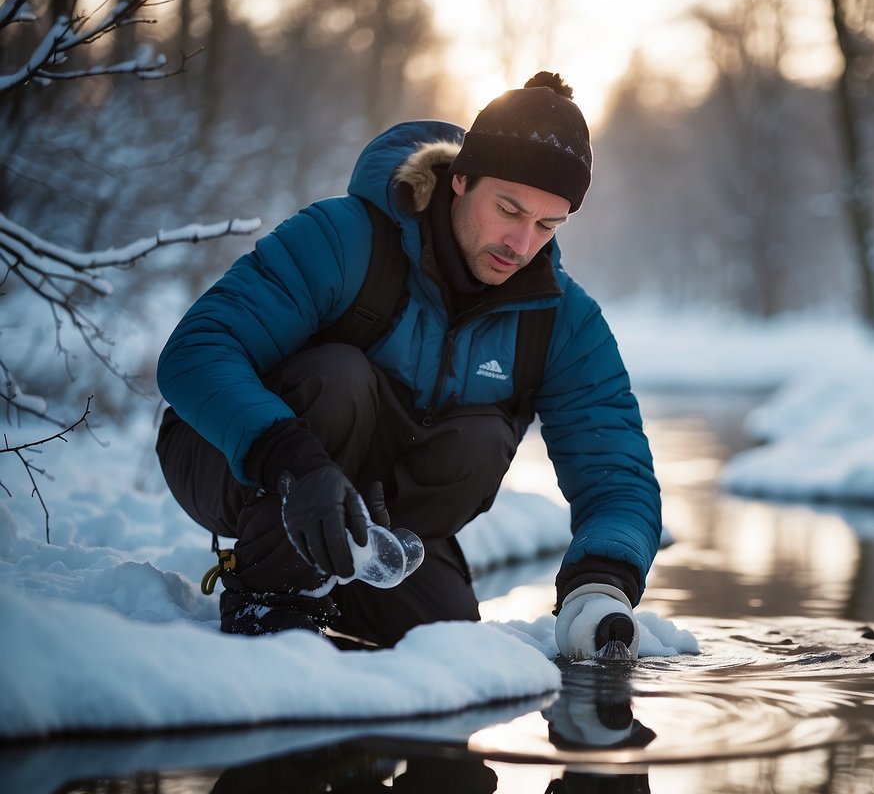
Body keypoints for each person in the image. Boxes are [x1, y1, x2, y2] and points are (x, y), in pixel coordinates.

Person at [156, 72, 661, 656]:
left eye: (547, 226)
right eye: (508, 210)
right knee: (339, 377)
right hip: (240, 461)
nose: (521, 245)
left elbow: (616, 475)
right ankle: (273, 604)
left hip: (387, 520)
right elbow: (196, 352)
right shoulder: (345, 238)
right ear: (461, 179)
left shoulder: (561, 320)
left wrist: (598, 589)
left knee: (450, 634)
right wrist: (292, 461)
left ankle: (361, 568)